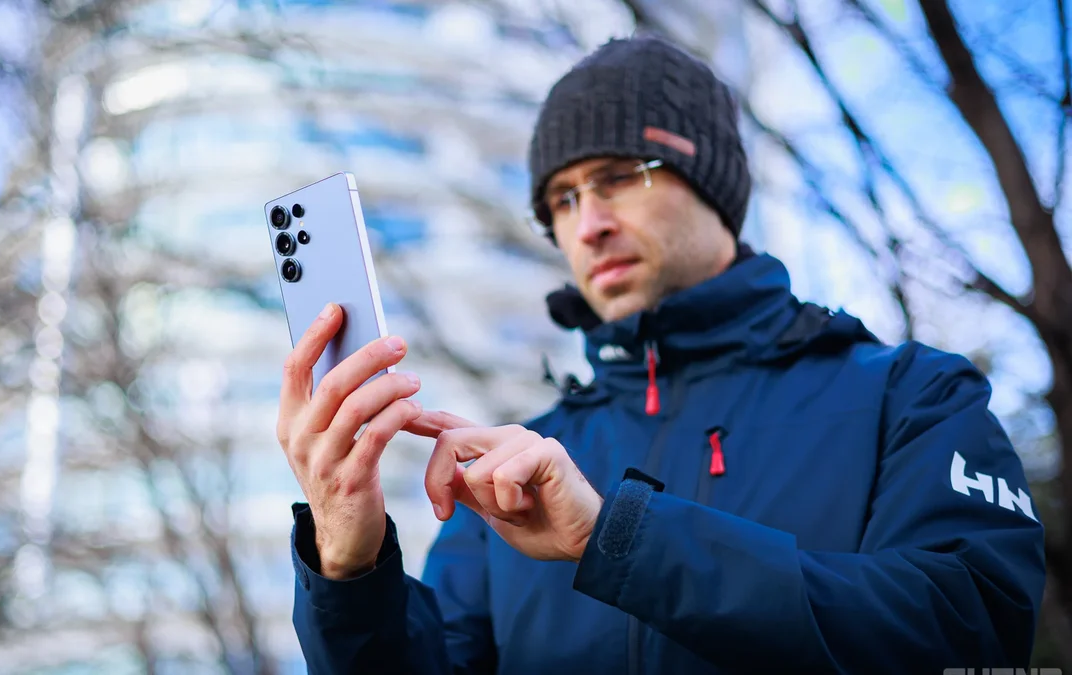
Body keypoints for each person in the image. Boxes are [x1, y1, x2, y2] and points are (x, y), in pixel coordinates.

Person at [277, 36, 1047, 674]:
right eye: (563, 200)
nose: (588, 225)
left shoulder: (912, 396)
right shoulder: (512, 470)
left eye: (619, 178)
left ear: (712, 182)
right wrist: (350, 567)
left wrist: (615, 538)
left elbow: (970, 632)